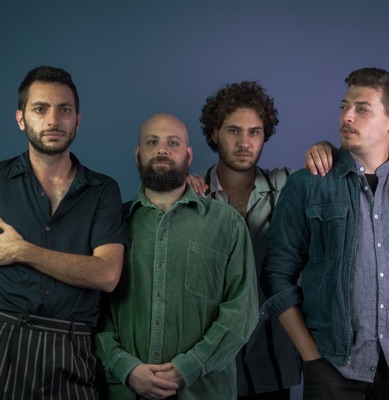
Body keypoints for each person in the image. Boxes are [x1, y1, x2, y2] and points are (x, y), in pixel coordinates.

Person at [95, 112, 258, 399]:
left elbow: (241, 313)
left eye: (173, 142)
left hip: (205, 392)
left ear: (188, 155)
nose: (162, 150)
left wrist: (188, 367)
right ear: (137, 154)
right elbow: (92, 310)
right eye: (152, 142)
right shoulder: (111, 224)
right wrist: (126, 368)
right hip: (124, 392)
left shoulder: (227, 224)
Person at [260, 67, 389, 400]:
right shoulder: (307, 184)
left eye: (362, 109)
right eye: (344, 106)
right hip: (333, 369)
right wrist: (311, 356)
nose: (347, 116)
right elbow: (276, 273)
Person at [188, 80, 334, 400]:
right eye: (234, 131)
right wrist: (177, 185)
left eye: (254, 132)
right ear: (214, 134)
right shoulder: (193, 195)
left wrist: (326, 148)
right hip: (207, 367)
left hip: (271, 363)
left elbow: (335, 179)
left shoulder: (288, 186)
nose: (245, 142)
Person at [0, 65, 126, 399]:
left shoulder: (102, 191)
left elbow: (107, 274)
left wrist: (21, 251)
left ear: (77, 120)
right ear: (21, 119)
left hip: (74, 349)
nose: (53, 120)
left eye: (64, 110)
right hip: (5, 337)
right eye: (40, 109)